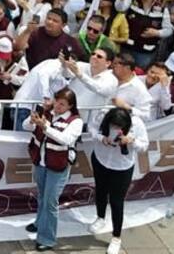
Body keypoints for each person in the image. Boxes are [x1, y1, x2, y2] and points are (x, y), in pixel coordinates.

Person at [24, 87, 84, 252]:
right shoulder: (47, 112)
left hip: (58, 165)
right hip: (41, 162)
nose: (57, 106)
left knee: (51, 201)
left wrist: (46, 127)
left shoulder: (76, 121)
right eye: (56, 101)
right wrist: (32, 120)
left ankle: (47, 238)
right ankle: (39, 223)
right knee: (42, 196)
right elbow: (26, 127)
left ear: (70, 106)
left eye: (62, 104)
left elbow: (65, 139)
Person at [89, 107, 148, 254]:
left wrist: (131, 141)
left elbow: (144, 146)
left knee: (117, 201)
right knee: (100, 191)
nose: (115, 129)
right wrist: (102, 138)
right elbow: (91, 129)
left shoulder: (137, 123)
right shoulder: (102, 115)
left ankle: (116, 237)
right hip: (100, 159)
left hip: (122, 167)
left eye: (119, 127)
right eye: (113, 126)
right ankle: (100, 217)